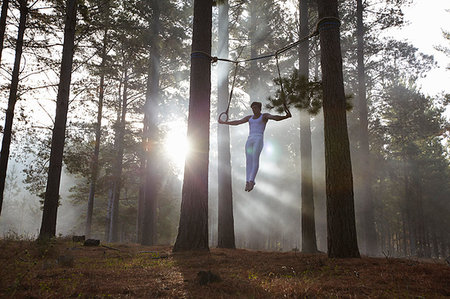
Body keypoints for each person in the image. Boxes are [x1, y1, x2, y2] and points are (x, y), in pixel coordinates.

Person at [218, 101, 291, 192]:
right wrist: (225, 123)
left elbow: (274, 117)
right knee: (248, 161)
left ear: (259, 108)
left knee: (255, 158)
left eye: (255, 108)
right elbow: (238, 122)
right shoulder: (250, 118)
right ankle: (247, 181)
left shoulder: (264, 116)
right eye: (252, 108)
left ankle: (252, 181)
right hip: (250, 139)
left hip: (258, 138)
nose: (253, 110)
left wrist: (285, 117)